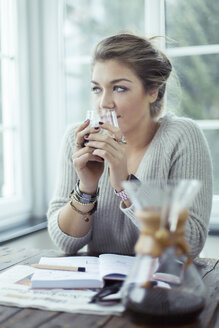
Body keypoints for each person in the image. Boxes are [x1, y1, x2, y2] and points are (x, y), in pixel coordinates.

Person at [47, 33, 213, 258]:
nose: (104, 103)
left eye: (119, 88)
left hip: (163, 288)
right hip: (101, 289)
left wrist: (126, 186)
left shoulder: (181, 137)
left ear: (152, 91)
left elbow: (189, 245)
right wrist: (86, 187)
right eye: (97, 89)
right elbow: (65, 243)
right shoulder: (77, 140)